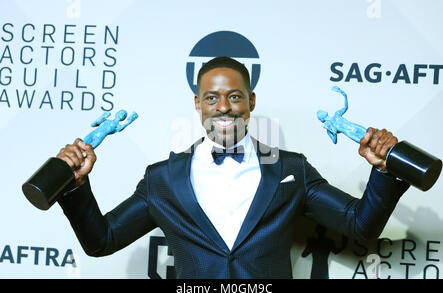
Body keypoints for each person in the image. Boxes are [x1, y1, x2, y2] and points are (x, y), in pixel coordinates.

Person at [56, 56, 410, 279]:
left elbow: (359, 225)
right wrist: (74, 186)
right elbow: (101, 241)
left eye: (235, 96)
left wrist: (382, 171)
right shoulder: (162, 179)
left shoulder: (291, 170)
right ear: (198, 104)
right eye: (212, 97)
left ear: (251, 101)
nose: (223, 107)